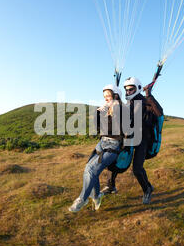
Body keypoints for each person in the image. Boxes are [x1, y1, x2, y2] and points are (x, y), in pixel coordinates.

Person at [101, 76, 160, 204]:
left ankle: (147, 189)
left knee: (137, 169)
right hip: (128, 138)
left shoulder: (146, 103)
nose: (128, 92)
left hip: (142, 141)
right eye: (126, 90)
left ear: (138, 89)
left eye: (131, 90)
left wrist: (149, 95)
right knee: (113, 159)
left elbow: (159, 113)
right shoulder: (129, 104)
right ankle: (111, 186)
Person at [68, 85, 124, 212]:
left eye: (108, 96)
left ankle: (83, 199)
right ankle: (96, 195)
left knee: (92, 169)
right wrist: (98, 112)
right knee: (89, 168)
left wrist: (115, 107)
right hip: (102, 143)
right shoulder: (107, 110)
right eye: (104, 97)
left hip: (113, 146)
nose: (106, 99)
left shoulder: (122, 110)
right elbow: (97, 127)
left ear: (115, 96)